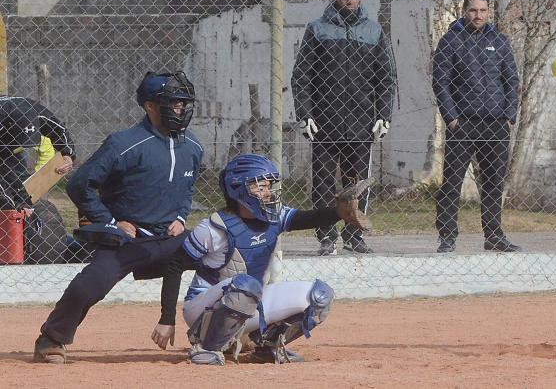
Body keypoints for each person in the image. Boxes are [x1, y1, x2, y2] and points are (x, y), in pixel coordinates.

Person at [32, 71, 204, 364]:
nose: (181, 109)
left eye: (183, 103)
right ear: (150, 106)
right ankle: (52, 339)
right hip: (128, 239)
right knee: (89, 285)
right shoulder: (125, 143)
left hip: (170, 238)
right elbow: (80, 184)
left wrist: (180, 215)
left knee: (223, 255)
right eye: (173, 103)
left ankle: (221, 335)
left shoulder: (193, 146)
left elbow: (187, 186)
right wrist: (111, 222)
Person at [150, 154, 370, 365]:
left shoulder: (275, 217)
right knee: (247, 287)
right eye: (260, 186)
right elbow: (175, 265)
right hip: (202, 308)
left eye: (269, 186)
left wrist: (338, 213)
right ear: (238, 189)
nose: (268, 192)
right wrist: (166, 319)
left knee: (320, 296)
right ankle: (207, 347)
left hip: (250, 297)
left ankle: (265, 344)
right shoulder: (215, 228)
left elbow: (308, 218)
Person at [291, 0, 396, 256]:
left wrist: (383, 114)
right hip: (325, 121)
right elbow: (302, 76)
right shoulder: (318, 29)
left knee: (357, 184)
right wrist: (305, 113)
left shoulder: (374, 31)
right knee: (324, 183)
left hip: (361, 123)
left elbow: (386, 78)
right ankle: (327, 236)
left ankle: (354, 235)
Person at [431, 0, 521, 253]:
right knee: (452, 182)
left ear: (488, 12)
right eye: (473, 10)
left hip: (495, 124)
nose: (478, 15)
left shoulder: (499, 41)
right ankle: (447, 237)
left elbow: (511, 81)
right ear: (464, 11)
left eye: (483, 11)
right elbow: (441, 82)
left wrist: (509, 116)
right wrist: (452, 117)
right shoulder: (450, 41)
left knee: (493, 182)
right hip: (463, 124)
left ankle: (494, 235)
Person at [0, 96, 78, 263]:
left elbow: (58, 129)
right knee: (7, 202)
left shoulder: (36, 112)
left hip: (6, 141)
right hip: (3, 139)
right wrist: (14, 203)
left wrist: (67, 153)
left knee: (17, 188)